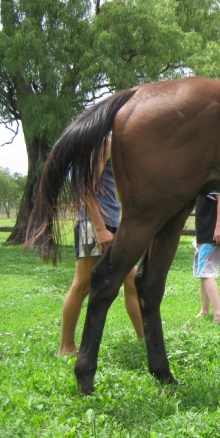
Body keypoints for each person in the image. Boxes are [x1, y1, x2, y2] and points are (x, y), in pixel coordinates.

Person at [59, 138, 144, 356]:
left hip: (110, 224)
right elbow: (86, 189)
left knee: (131, 279)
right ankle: (66, 347)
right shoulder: (103, 143)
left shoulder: (115, 146)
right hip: (94, 225)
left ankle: (144, 338)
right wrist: (99, 229)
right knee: (82, 285)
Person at [193, 191, 220, 324]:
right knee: (202, 273)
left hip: (211, 236)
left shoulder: (211, 180)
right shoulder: (202, 182)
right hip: (204, 236)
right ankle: (204, 310)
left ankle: (219, 314)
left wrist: (219, 227)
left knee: (207, 273)